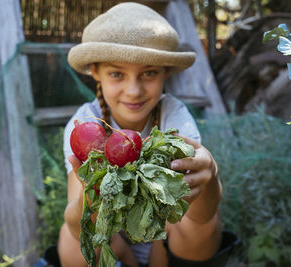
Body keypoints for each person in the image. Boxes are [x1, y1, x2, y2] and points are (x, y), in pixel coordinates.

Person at [58, 2, 227, 267]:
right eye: (117, 74)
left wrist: (211, 176)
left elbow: (202, 216)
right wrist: (89, 197)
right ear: (95, 72)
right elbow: (78, 223)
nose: (134, 90)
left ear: (165, 72)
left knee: (204, 225)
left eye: (148, 73)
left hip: (166, 237)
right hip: (112, 240)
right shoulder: (84, 124)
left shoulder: (174, 117)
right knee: (72, 242)